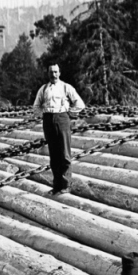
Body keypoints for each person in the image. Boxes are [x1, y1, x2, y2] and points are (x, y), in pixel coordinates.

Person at [33, 64, 85, 195]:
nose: (53, 75)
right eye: (51, 72)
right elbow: (36, 106)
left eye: (56, 72)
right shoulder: (43, 89)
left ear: (59, 73)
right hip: (48, 120)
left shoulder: (66, 87)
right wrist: (43, 116)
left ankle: (66, 185)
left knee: (65, 154)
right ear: (48, 73)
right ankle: (56, 185)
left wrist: (69, 113)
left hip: (62, 118)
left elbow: (80, 104)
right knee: (54, 155)